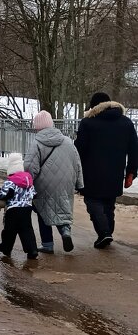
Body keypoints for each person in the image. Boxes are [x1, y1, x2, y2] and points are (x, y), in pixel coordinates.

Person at [74, 91, 138, 248]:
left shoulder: (87, 123)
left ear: (94, 107)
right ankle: (108, 231)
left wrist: (75, 171)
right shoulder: (126, 123)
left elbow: (78, 150)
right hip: (115, 173)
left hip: (91, 173)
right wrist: (131, 172)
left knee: (92, 201)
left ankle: (104, 233)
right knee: (109, 204)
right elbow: (134, 149)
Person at [25, 110, 82, 253]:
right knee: (62, 208)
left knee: (43, 212)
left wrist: (26, 184)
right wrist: (79, 183)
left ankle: (48, 244)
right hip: (66, 183)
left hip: (43, 184)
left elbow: (30, 167)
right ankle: (65, 231)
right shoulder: (68, 141)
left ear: (37, 126)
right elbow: (77, 163)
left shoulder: (37, 143)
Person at [0, 153, 38, 260]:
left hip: (13, 210)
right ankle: (32, 249)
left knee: (9, 230)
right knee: (27, 229)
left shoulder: (10, 182)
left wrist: (0, 196)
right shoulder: (28, 181)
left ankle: (6, 247)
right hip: (27, 209)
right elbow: (34, 194)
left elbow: (2, 194)